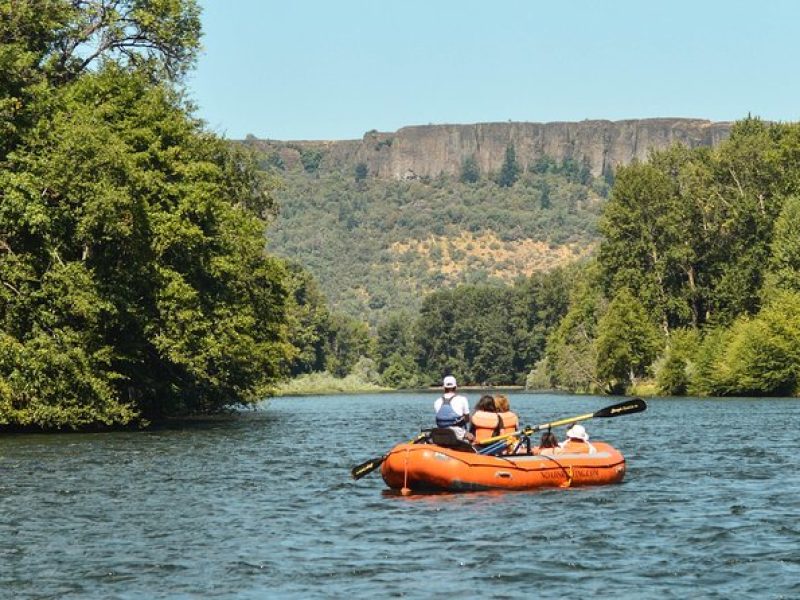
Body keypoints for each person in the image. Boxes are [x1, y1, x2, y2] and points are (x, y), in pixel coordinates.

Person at [433, 375, 472, 442]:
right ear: (455, 387)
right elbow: (467, 419)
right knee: (472, 437)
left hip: (441, 432)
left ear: (444, 387)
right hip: (457, 433)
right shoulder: (462, 399)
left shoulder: (437, 401)